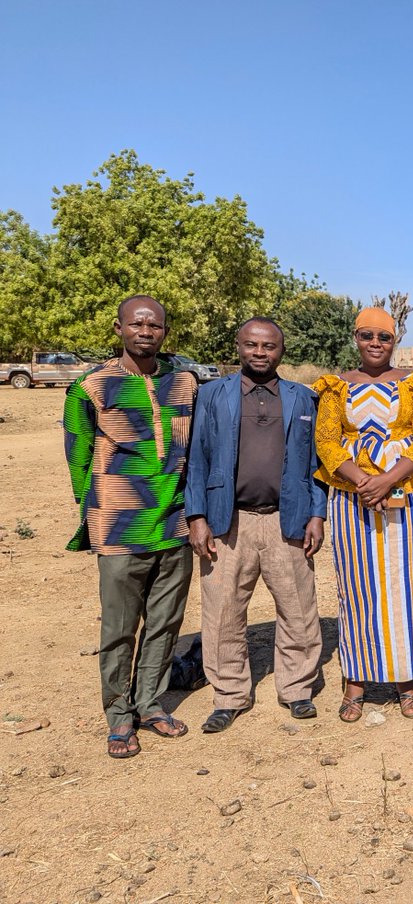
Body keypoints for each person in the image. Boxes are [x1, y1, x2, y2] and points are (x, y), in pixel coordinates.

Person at [63, 295, 196, 759]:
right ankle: (120, 717)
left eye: (154, 325)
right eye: (136, 324)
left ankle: (151, 703)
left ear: (164, 332)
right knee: (119, 628)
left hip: (175, 525)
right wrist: (99, 507)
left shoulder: (184, 384)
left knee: (165, 622)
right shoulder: (91, 387)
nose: (145, 331)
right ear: (118, 329)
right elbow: (78, 458)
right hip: (118, 528)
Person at [185, 317, 327, 733]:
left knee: (298, 609)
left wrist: (316, 513)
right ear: (239, 346)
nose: (260, 353)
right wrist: (196, 516)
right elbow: (197, 459)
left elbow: (315, 465)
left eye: (269, 346)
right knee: (223, 610)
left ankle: (297, 689)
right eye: (252, 345)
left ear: (281, 351)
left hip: (288, 518)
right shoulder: (212, 395)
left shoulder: (302, 398)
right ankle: (229, 695)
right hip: (228, 522)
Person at [313, 306, 413, 722]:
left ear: (395, 341)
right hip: (351, 498)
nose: (375, 344)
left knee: (406, 584)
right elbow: (327, 442)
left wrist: (388, 479)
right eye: (367, 335)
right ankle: (357, 680)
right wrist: (361, 481)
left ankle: (406, 677)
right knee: (357, 586)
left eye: (383, 337)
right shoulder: (337, 387)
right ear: (355, 338)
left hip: (408, 491)